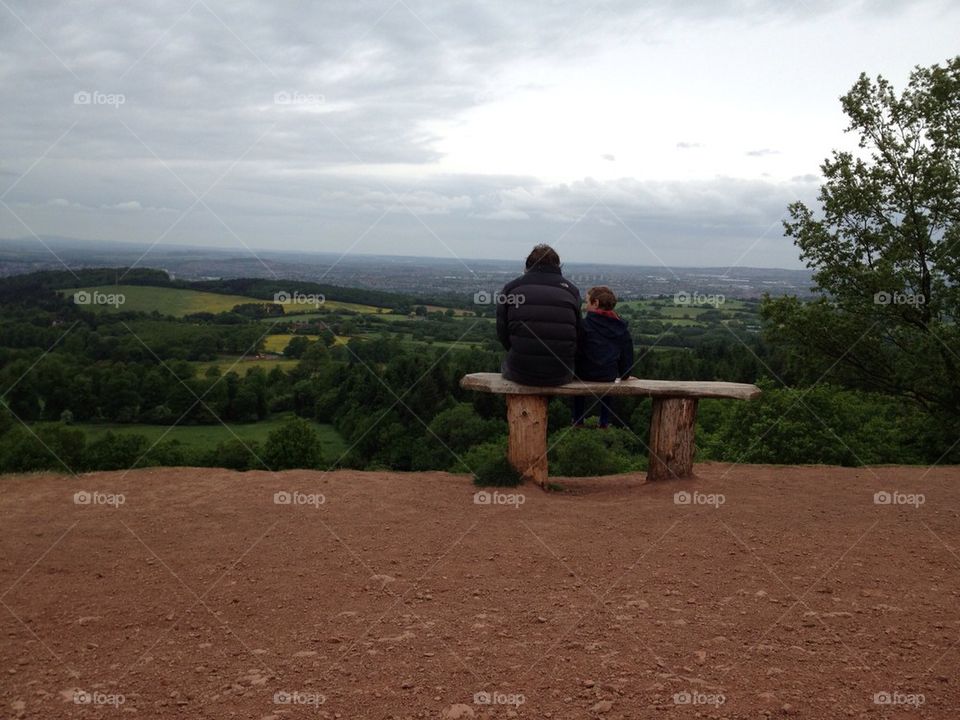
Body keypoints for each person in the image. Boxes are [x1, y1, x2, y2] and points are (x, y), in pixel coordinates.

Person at [496, 244, 580, 386]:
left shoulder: (511, 288)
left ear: (528, 265)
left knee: (506, 365)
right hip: (560, 373)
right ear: (558, 266)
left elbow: (502, 332)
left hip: (520, 372)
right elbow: (578, 333)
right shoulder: (572, 291)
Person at [572, 285, 634, 428]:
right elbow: (627, 354)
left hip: (583, 374)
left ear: (596, 303)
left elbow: (576, 351)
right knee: (608, 374)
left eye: (588, 301)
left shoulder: (584, 325)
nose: (585, 305)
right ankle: (604, 421)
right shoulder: (621, 327)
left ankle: (577, 419)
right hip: (608, 375)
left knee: (580, 377)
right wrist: (625, 375)